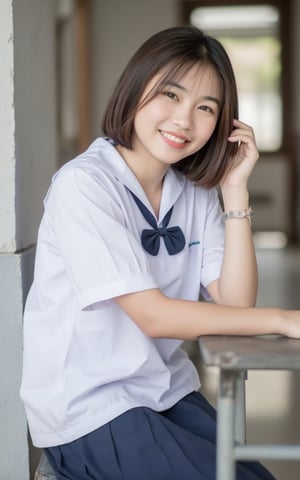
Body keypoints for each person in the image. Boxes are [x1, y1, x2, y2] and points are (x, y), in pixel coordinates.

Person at [20, 25, 300, 480]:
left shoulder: (192, 191)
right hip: (91, 407)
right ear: (137, 87)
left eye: (205, 107)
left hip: (166, 392)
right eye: (171, 95)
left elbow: (233, 302)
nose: (184, 121)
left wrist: (234, 190)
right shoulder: (84, 185)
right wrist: (282, 319)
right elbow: (155, 316)